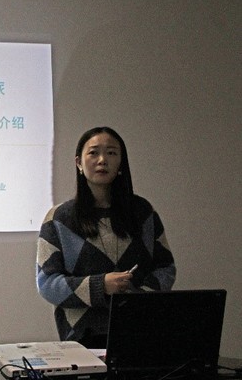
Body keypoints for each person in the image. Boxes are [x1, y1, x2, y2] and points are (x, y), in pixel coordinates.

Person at [36, 127, 176, 349]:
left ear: (121, 162)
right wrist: (101, 285)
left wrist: (135, 295)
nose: (102, 160)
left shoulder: (142, 212)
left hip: (140, 330)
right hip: (82, 337)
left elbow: (166, 268)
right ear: (79, 163)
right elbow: (48, 283)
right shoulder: (59, 218)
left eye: (111, 153)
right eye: (93, 153)